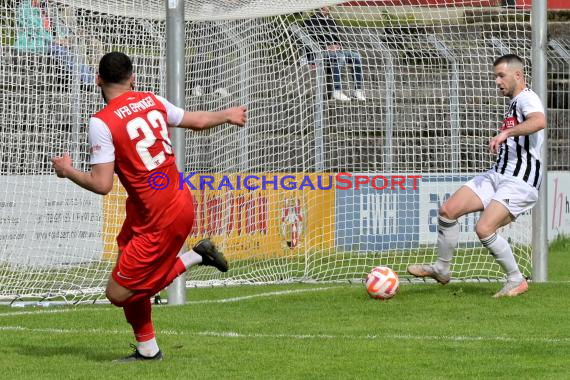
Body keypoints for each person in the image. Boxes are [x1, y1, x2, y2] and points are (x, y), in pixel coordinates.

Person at [51, 52, 247, 361]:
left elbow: (102, 185)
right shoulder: (151, 99)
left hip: (160, 216)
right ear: (133, 78)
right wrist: (226, 114)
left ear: (98, 80)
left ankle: (196, 256)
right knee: (125, 269)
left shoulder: (102, 121)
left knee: (118, 293)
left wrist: (67, 171)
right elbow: (195, 121)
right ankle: (147, 349)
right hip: (168, 201)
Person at [408, 54, 546, 298]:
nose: (497, 81)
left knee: (484, 228)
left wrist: (506, 134)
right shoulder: (514, 102)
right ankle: (441, 269)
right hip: (498, 174)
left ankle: (516, 279)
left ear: (518, 75)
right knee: (448, 211)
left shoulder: (528, 98)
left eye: (501, 75)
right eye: (495, 76)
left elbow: (539, 121)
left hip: (520, 180)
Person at [14, 0, 94, 85]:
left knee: (74, 48)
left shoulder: (45, 8)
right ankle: (91, 79)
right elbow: (35, 30)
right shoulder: (24, 8)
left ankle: (89, 75)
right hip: (31, 43)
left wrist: (65, 38)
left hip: (48, 42)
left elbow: (58, 26)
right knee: (61, 51)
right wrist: (55, 40)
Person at [303, 6, 365, 102]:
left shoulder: (332, 22)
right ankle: (337, 90)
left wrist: (337, 45)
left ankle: (358, 90)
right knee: (340, 57)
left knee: (356, 56)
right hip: (319, 52)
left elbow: (337, 39)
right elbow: (307, 42)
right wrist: (313, 58)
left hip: (334, 51)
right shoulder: (310, 22)